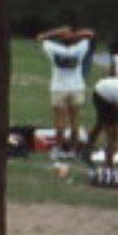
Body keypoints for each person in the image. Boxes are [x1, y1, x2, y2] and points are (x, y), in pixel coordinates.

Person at [35, 23, 95, 156]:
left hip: (58, 87)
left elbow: (40, 38)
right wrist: (74, 35)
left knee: (59, 121)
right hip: (77, 87)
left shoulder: (53, 48)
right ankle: (73, 149)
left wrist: (54, 32)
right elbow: (90, 34)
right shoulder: (81, 48)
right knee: (75, 120)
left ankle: (58, 149)